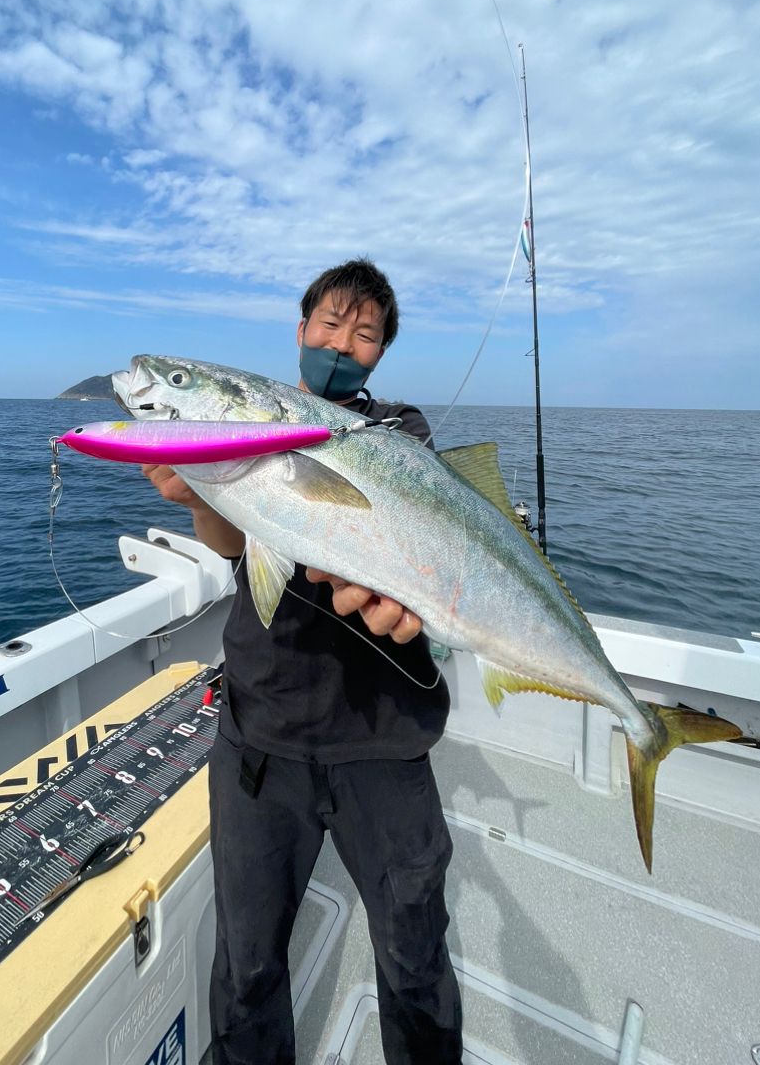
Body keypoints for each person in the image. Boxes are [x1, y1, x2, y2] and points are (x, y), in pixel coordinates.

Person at [142, 259, 462, 1065]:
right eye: (329, 323)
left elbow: (410, 551)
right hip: (262, 733)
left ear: (380, 355)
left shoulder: (398, 432)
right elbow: (239, 543)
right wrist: (195, 498)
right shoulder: (244, 432)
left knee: (415, 959)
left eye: (365, 334)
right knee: (248, 965)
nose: (342, 343)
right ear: (300, 328)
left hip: (382, 738)